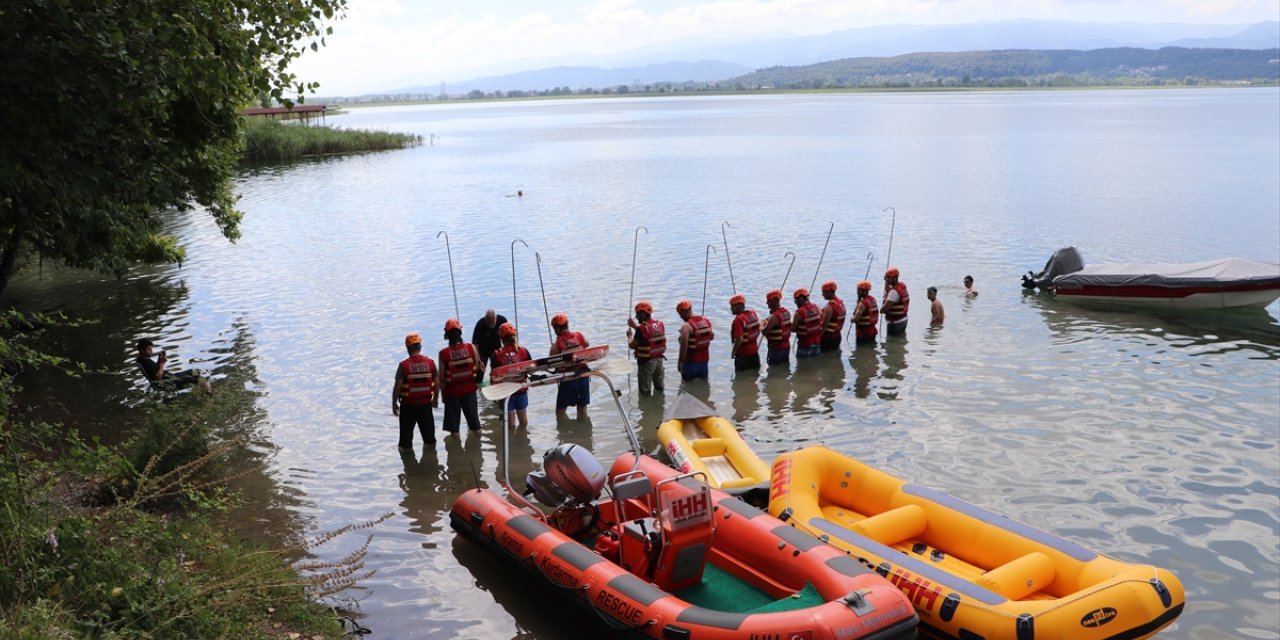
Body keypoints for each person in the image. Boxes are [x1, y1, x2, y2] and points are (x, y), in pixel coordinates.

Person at [392, 332, 438, 450]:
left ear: (407, 348)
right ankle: (430, 463)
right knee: (430, 440)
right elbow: (437, 382)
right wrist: (436, 399)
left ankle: (408, 465)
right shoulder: (430, 363)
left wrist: (394, 403)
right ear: (420, 347)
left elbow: (398, 387)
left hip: (408, 407)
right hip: (425, 406)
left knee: (405, 443)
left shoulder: (403, 366)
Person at [439, 318, 482, 433]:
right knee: (475, 425)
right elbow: (477, 367)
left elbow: (442, 378)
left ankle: (456, 449)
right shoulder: (471, 347)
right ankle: (477, 448)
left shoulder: (443, 353)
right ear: (460, 332)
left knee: (454, 429)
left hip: (452, 394)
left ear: (446, 335)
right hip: (470, 391)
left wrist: (443, 395)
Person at [489, 322, 532, 429]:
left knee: (510, 425)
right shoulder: (523, 351)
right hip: (521, 391)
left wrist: (495, 396)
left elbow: (493, 376)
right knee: (524, 422)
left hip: (506, 393)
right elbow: (531, 369)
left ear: (501, 339)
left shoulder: (497, 355)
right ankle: (523, 443)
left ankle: (511, 443)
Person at [549, 313, 591, 419]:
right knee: (582, 409)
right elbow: (587, 344)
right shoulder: (580, 335)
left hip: (568, 380)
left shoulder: (556, 345)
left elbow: (550, 362)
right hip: (583, 377)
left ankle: (563, 432)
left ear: (557, 329)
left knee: (560, 412)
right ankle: (584, 433)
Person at [135, 338, 211, 394]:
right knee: (200, 378)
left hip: (169, 378)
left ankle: (202, 392)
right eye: (149, 349)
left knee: (193, 371)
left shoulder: (143, 359)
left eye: (151, 349)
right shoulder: (144, 361)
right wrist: (162, 362)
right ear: (142, 350)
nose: (151, 351)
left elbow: (155, 370)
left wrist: (159, 360)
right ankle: (209, 396)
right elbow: (158, 377)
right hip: (167, 382)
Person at [626, 301, 666, 395]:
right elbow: (647, 335)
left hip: (646, 363)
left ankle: (646, 409)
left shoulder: (641, 329)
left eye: (638, 314)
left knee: (644, 391)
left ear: (643, 314)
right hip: (659, 361)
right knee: (659, 388)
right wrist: (635, 327)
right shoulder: (659, 324)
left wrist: (629, 336)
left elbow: (632, 345)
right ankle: (659, 407)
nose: (636, 317)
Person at [675, 300, 714, 380]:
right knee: (704, 387)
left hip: (690, 363)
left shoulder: (686, 326)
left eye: (680, 314)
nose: (680, 317)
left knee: (687, 388)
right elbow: (712, 337)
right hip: (704, 363)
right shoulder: (706, 321)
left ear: (684, 312)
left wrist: (680, 362)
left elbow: (684, 347)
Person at [470, 309, 509, 376]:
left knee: (498, 372)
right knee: (479, 373)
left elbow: (507, 338)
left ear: (496, 318)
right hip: (482, 351)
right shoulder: (480, 324)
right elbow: (474, 345)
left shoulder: (502, 320)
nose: (490, 325)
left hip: (496, 349)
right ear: (485, 319)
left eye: (492, 323)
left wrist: (506, 353)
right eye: (488, 323)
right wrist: (478, 360)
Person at [728, 294, 761, 371]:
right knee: (754, 378)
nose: (731, 308)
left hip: (743, 355)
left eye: (732, 306)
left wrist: (733, 352)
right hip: (755, 353)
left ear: (739, 306)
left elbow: (739, 339)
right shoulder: (753, 313)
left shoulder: (738, 320)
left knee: (740, 380)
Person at [761, 289, 792, 366]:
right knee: (784, 368)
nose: (766, 302)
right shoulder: (787, 312)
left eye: (768, 300)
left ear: (775, 300)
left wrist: (761, 324)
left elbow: (764, 331)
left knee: (773, 372)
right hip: (786, 347)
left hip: (776, 349)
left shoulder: (773, 317)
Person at [791, 288, 822, 358]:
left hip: (804, 345)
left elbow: (793, 329)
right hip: (817, 344)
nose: (795, 302)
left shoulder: (799, 312)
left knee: (802, 367)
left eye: (796, 299)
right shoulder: (817, 307)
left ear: (801, 298)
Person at [818, 280, 847, 353]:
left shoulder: (829, 307)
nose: (822, 294)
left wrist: (817, 339)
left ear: (830, 292)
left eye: (823, 292)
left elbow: (824, 326)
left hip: (828, 339)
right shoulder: (840, 303)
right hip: (837, 337)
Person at [850, 280, 879, 346]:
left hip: (863, 333)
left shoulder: (862, 304)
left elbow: (855, 319)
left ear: (862, 291)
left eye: (858, 290)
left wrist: (851, 319)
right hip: (872, 331)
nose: (857, 292)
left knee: (860, 352)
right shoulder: (872, 299)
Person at [883, 267, 910, 336]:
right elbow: (888, 290)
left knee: (891, 345)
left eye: (889, 278)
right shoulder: (902, 285)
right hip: (904, 320)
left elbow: (884, 309)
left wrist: (881, 309)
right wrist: (886, 281)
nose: (887, 280)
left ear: (894, 278)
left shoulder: (893, 292)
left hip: (895, 323)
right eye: (887, 278)